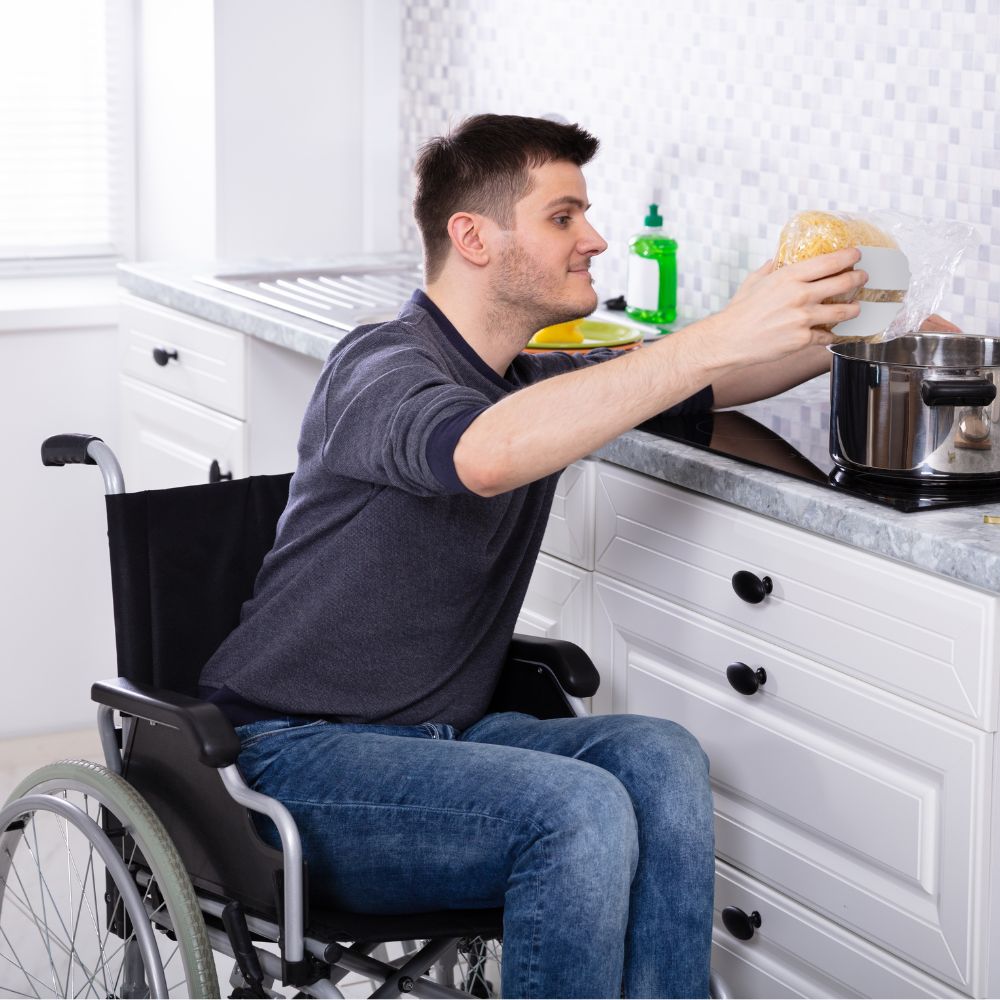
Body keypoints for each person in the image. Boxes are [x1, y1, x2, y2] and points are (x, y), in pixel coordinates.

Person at [199, 113, 880, 999]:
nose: (594, 239)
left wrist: (873, 332)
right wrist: (708, 335)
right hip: (292, 761)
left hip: (444, 744)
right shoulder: (382, 368)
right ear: (473, 237)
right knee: (578, 808)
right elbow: (484, 454)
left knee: (661, 759)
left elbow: (708, 379)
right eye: (564, 216)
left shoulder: (522, 381)